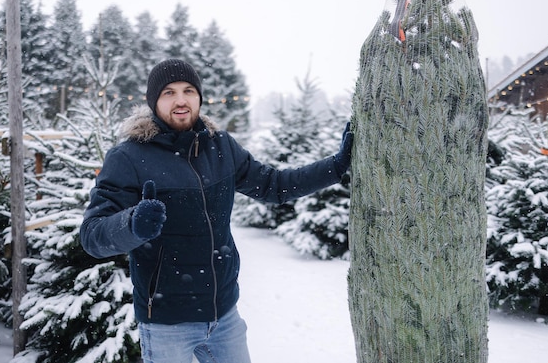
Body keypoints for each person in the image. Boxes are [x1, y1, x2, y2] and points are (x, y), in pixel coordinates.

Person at [80, 59, 353, 363]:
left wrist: (335, 167)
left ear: (199, 97)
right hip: (166, 323)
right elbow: (92, 236)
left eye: (188, 90)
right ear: (153, 101)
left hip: (225, 318)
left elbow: (275, 185)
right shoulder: (128, 157)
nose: (181, 100)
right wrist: (133, 224)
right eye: (168, 92)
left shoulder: (220, 147)